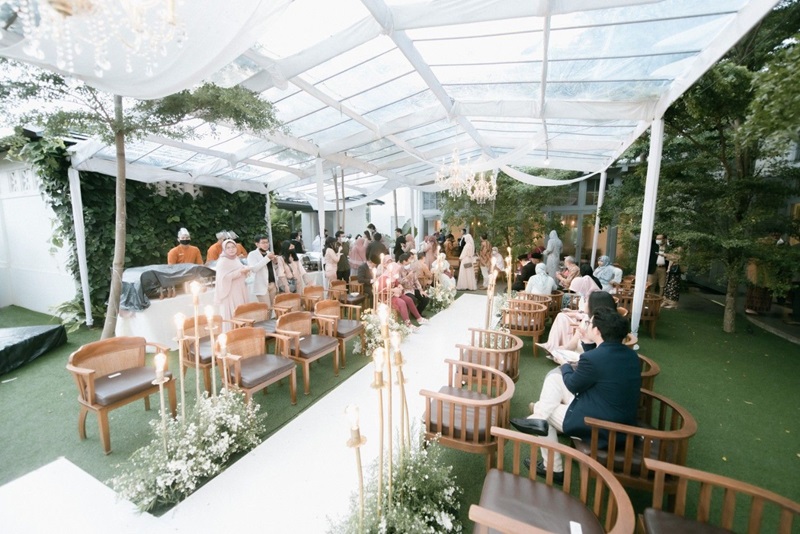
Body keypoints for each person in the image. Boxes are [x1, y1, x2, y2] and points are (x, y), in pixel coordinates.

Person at [510, 307, 641, 482]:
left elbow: (573, 384)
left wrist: (564, 364)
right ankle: (538, 418)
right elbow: (599, 364)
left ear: (597, 330)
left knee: (544, 408)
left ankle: (553, 467)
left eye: (589, 323)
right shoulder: (631, 356)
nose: (587, 325)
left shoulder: (595, 358)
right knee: (555, 380)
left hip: (599, 427)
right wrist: (585, 342)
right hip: (618, 418)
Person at [537, 291, 617, 357]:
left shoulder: (600, 328)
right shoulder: (587, 320)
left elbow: (595, 355)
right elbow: (573, 343)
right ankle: (551, 347)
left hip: (587, 360)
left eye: (586, 301)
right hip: (582, 357)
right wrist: (558, 350)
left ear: (594, 306)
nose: (584, 303)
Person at [378, 261, 428, 330]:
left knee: (409, 299)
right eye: (396, 270)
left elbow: (397, 283)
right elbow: (380, 290)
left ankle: (419, 318)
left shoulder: (393, 276)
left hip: (395, 294)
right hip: (387, 297)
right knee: (402, 302)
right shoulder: (383, 278)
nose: (397, 272)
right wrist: (392, 290)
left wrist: (399, 286)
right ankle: (408, 323)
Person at [214, 239, 251, 326]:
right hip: (230, 291)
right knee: (234, 310)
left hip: (240, 289)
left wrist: (245, 270)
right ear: (224, 249)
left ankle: (243, 330)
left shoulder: (236, 258)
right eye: (228, 248)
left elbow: (239, 268)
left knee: (241, 309)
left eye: (233, 247)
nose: (231, 249)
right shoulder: (222, 262)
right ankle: (234, 331)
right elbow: (223, 278)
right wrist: (240, 272)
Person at [247, 235, 280, 306]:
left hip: (272, 283)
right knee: (266, 307)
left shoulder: (269, 253)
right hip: (261, 285)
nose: (266, 244)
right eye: (263, 243)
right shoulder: (252, 254)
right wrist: (267, 258)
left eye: (267, 242)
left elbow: (272, 268)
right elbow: (254, 269)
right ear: (257, 244)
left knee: (274, 306)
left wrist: (275, 262)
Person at [662, 241, 683, 309]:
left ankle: (673, 303)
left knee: (672, 286)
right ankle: (666, 301)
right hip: (672, 271)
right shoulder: (673, 249)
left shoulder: (679, 249)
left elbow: (673, 258)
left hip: (674, 271)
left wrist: (668, 268)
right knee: (668, 285)